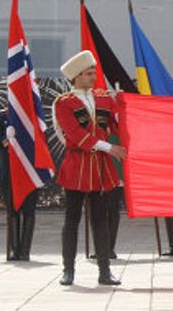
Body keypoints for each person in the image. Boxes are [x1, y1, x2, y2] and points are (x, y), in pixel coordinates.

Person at [53, 50, 126, 286]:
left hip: (101, 168)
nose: (93, 77)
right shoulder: (64, 103)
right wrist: (108, 148)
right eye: (88, 73)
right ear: (76, 77)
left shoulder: (104, 98)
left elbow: (116, 126)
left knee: (100, 220)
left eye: (93, 72)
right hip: (77, 166)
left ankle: (105, 271)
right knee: (71, 220)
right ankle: (68, 271)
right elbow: (76, 135)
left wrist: (124, 106)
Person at [0, 108, 38, 261]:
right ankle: (15, 250)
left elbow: (40, 141)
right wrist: (10, 141)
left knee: (29, 210)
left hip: (30, 170)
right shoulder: (2, 115)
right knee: (12, 210)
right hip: (9, 170)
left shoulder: (34, 115)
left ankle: (25, 251)